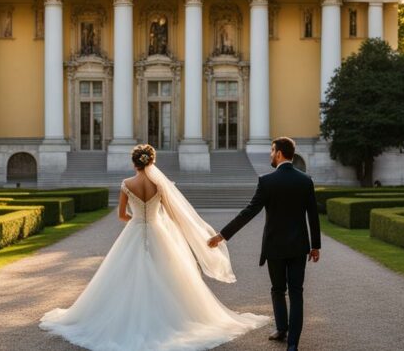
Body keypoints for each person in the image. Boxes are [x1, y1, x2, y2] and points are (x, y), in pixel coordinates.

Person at [39, 144, 269, 350]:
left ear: (134, 162)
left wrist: (138, 222)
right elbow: (173, 214)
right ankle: (173, 319)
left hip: (135, 230)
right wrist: (161, 224)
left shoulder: (127, 184)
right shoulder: (160, 185)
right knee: (170, 276)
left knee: (122, 277)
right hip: (159, 231)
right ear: (152, 161)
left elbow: (121, 215)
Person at [208, 137, 321, 351]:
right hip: (299, 246)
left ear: (279, 153)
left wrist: (222, 235)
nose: (270, 154)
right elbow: (313, 216)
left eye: (271, 151)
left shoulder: (267, 181)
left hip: (275, 246)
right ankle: (292, 343)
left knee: (278, 289)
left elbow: (249, 212)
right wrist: (316, 246)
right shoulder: (305, 180)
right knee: (296, 293)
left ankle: (282, 330)